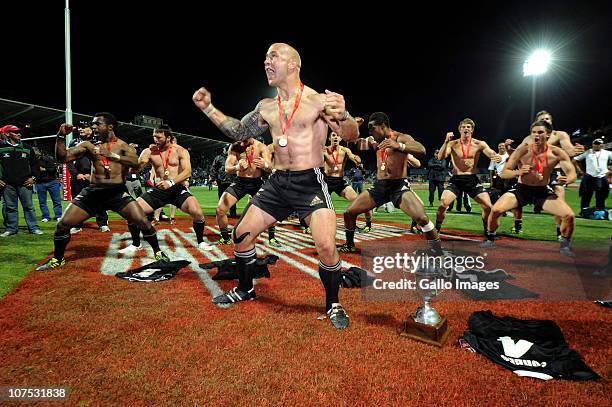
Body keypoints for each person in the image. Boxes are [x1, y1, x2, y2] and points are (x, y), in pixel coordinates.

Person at [192, 42, 359, 329]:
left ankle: (333, 303)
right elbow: (239, 131)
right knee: (241, 234)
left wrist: (344, 115)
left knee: (326, 246)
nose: (266, 62)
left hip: (310, 181)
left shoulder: (318, 100)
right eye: (265, 58)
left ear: (293, 64)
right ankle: (246, 288)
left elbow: (351, 135)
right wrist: (208, 109)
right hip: (278, 182)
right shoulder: (267, 106)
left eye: (273, 57)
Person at [36, 112, 169, 271]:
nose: (93, 127)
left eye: (97, 124)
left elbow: (134, 163)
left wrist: (111, 155)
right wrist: (60, 137)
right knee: (63, 225)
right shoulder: (89, 146)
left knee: (143, 221)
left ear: (110, 126)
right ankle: (58, 259)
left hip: (117, 193)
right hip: (94, 193)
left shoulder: (123, 146)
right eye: (93, 124)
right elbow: (62, 158)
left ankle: (158, 252)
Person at [339, 112, 442, 255]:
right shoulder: (373, 141)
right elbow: (353, 144)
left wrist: (399, 145)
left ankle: (437, 252)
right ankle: (349, 245)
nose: (370, 132)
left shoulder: (401, 137)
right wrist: (354, 127)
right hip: (380, 186)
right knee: (349, 213)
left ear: (382, 126)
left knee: (422, 218)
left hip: (398, 186)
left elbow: (422, 150)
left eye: (372, 128)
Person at [482, 120, 577, 257]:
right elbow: (504, 172)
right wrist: (517, 172)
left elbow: (571, 172)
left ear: (548, 135)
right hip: (522, 189)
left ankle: (565, 246)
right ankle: (490, 238)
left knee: (569, 216)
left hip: (542, 191)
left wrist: (568, 179)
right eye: (533, 132)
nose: (536, 135)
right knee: (495, 210)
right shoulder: (523, 150)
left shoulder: (557, 152)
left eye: (540, 132)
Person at [119, 125, 212, 254]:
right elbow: (136, 169)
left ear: (168, 138)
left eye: (158, 137)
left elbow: (188, 171)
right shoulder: (150, 151)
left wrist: (171, 182)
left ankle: (201, 241)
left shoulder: (180, 150)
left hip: (177, 188)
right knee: (133, 212)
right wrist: (135, 159)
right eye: (154, 136)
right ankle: (136, 244)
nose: (155, 139)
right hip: (159, 190)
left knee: (198, 213)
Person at [515, 110, 584, 237]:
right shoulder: (529, 138)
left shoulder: (560, 135)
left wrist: (574, 150)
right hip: (535, 175)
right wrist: (509, 150)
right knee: (518, 199)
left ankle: (559, 232)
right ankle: (517, 224)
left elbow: (568, 149)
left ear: (552, 121)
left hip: (554, 173)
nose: (546, 121)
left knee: (560, 203)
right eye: (543, 119)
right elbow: (517, 153)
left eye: (548, 119)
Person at [435, 118, 501, 236]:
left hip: (472, 179)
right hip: (456, 180)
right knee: (442, 204)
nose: (466, 128)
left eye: (468, 127)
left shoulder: (479, 144)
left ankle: (486, 229)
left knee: (488, 207)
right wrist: (445, 141)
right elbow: (440, 157)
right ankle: (436, 229)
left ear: (472, 130)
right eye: (464, 127)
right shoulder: (452, 143)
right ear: (460, 129)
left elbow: (491, 153)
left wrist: (497, 157)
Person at [214, 137, 281, 248]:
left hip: (257, 182)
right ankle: (225, 238)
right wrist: (237, 167)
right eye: (240, 140)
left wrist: (264, 165)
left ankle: (272, 237)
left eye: (244, 140)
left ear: (251, 135)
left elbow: (270, 167)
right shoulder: (236, 146)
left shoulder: (261, 146)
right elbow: (227, 168)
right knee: (220, 209)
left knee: (271, 208)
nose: (242, 143)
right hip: (240, 182)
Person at [324, 131, 373, 232]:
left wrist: (357, 160)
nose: (336, 137)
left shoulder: (345, 150)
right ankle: (307, 225)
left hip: (340, 182)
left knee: (360, 201)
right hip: (326, 182)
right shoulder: (324, 150)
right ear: (330, 139)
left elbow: (353, 157)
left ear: (341, 139)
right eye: (333, 135)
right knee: (316, 204)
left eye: (338, 135)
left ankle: (368, 224)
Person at [0, 125, 43, 237]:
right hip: (7, 184)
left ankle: (34, 228)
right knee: (10, 208)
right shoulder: (0, 147)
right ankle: (11, 229)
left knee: (29, 207)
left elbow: (35, 165)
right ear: (8, 134)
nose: (19, 134)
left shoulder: (28, 148)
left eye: (19, 132)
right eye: (15, 132)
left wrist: (33, 178)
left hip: (25, 183)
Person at [68, 127, 110, 233]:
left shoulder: (99, 142)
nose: (80, 129)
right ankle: (77, 225)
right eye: (80, 127)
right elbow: (68, 159)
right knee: (78, 202)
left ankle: (103, 224)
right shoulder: (73, 142)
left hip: (94, 178)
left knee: (99, 201)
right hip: (78, 178)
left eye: (84, 128)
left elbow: (104, 160)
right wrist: (76, 174)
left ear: (90, 131)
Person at [488, 140, 522, 233]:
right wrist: (491, 181)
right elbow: (491, 169)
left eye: (502, 146)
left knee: (514, 199)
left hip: (510, 179)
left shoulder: (509, 155)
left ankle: (517, 224)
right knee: (497, 197)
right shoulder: (495, 157)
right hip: (499, 179)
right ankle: (502, 213)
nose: (501, 147)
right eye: (499, 146)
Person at [574, 138, 610, 215]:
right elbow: (575, 160)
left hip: (602, 176)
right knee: (586, 194)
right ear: (593, 144)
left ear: (602, 145)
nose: (597, 145)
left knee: (601, 194)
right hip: (589, 176)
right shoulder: (588, 152)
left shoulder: (608, 153)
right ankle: (583, 210)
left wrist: (610, 171)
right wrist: (580, 171)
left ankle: (600, 210)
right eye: (596, 144)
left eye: (599, 144)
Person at [34, 147, 63, 222]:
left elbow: (53, 169)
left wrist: (44, 169)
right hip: (39, 183)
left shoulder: (48, 158)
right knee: (42, 201)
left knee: (56, 200)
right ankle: (46, 216)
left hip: (52, 182)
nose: (36, 156)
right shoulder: (32, 161)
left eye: (37, 154)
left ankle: (58, 216)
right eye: (35, 155)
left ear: (40, 153)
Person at [210, 146, 237, 218]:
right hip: (222, 181)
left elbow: (213, 168)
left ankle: (232, 214)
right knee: (223, 197)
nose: (223, 150)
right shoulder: (220, 158)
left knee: (231, 197)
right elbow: (214, 168)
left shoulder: (233, 157)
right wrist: (213, 179)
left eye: (224, 149)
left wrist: (213, 178)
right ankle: (222, 213)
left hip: (229, 180)